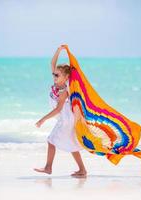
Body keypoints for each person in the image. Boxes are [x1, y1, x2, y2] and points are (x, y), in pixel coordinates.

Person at [34, 45, 87, 178]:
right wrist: (59, 50)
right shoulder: (57, 82)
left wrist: (43, 119)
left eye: (57, 75)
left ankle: (48, 167)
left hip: (66, 119)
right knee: (72, 144)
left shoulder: (64, 90)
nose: (54, 76)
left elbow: (58, 109)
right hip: (65, 118)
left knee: (51, 140)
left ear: (66, 77)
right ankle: (82, 170)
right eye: (54, 74)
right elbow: (52, 63)